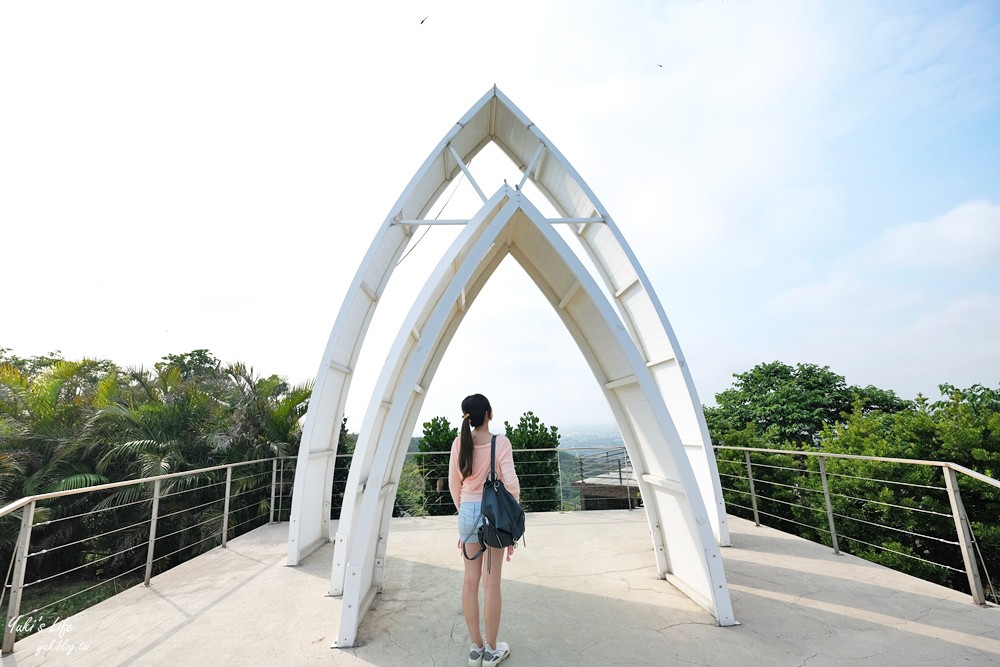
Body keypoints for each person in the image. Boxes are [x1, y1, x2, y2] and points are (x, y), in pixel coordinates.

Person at [448, 393, 519, 667]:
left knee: (469, 582)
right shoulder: (500, 443)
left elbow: (456, 485)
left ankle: (475, 648)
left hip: (466, 512)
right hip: (494, 517)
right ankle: (491, 650)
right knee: (492, 584)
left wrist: (465, 515)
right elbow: (511, 485)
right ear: (489, 413)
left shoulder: (459, 443)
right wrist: (510, 520)